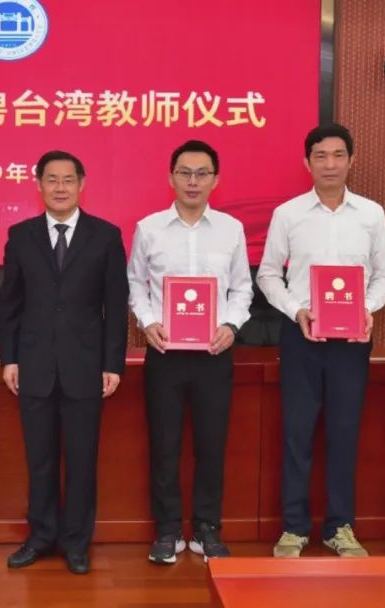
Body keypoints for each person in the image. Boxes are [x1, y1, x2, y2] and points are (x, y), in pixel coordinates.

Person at [257, 124, 385, 558]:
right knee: (297, 433)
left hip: (352, 342)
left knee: (344, 432)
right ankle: (294, 528)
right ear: (307, 162)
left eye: (338, 155)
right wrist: (296, 308)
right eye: (321, 156)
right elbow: (267, 275)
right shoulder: (288, 214)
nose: (330, 164)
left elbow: (384, 276)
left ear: (352, 160)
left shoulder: (371, 214)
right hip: (301, 337)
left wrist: (366, 308)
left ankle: (340, 527)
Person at [0, 150, 129, 574]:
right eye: (51, 179)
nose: (59, 187)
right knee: (39, 461)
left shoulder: (105, 236)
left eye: (68, 180)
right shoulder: (21, 236)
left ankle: (76, 542)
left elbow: (115, 305)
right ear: (38, 185)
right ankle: (40, 537)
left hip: (86, 367)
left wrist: (113, 364)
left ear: (81, 184)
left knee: (81, 460)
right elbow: (11, 305)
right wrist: (9, 358)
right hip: (33, 365)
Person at [127, 140, 253, 564]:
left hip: (214, 353)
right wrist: (148, 322)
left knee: (211, 445)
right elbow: (135, 283)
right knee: (164, 445)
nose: (193, 181)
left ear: (216, 179)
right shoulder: (149, 228)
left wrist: (231, 325)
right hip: (165, 353)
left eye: (202, 173)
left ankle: (206, 528)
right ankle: (166, 531)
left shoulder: (231, 229)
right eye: (185, 172)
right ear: (171, 177)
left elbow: (243, 288)